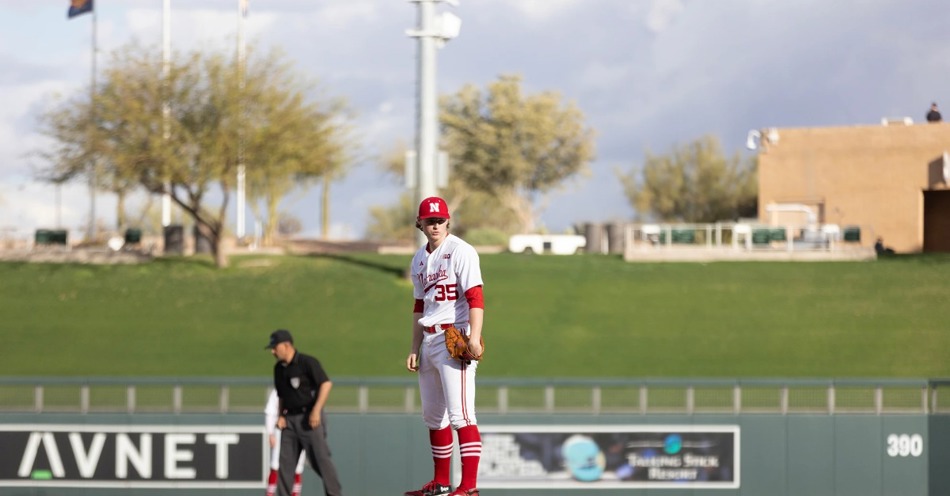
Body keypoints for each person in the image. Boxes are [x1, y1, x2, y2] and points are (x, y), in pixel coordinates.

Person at [404, 197, 485, 496]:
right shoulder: (418, 259)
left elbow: (475, 297)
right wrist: (414, 347)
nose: (435, 225)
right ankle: (441, 482)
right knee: (433, 416)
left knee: (462, 415)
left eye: (439, 220)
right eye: (429, 220)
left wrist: (474, 337)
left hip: (454, 339)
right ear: (420, 223)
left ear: (447, 221)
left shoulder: (461, 251)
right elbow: (419, 305)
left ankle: (469, 486)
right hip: (429, 340)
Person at [266, 329, 343, 496]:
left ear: (286, 345)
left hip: (309, 419)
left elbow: (326, 384)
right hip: (289, 421)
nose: (273, 351)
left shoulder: (307, 362)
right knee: (285, 465)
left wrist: (316, 411)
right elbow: (281, 395)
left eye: (275, 347)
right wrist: (280, 416)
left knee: (321, 461)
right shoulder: (279, 369)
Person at [265, 389, 307, 496]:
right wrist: (270, 433)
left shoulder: (306, 389)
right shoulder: (279, 389)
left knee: (297, 469)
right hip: (281, 430)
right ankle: (270, 494)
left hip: (300, 431)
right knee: (276, 466)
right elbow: (270, 412)